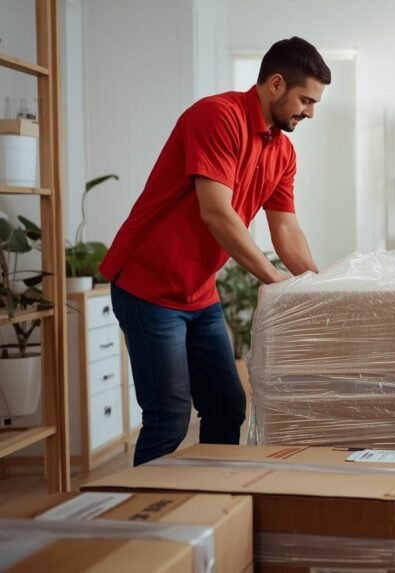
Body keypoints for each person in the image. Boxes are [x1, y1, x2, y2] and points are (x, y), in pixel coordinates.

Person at [100, 36, 330, 465]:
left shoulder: (282, 151)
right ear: (276, 84)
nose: (310, 112)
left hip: (198, 293)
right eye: (306, 99)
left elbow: (286, 228)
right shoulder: (218, 117)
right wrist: (276, 279)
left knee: (226, 407)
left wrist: (319, 286)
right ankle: (146, 519)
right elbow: (217, 213)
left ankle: (214, 508)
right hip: (148, 287)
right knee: (169, 416)